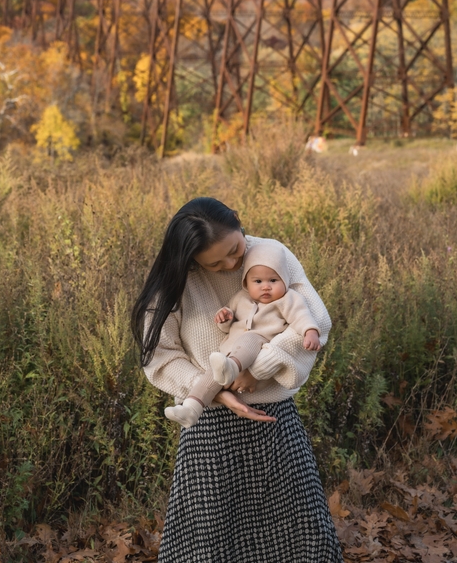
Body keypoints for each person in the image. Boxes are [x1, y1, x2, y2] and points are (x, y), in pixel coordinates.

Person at [131, 197, 343, 563]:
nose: (232, 264)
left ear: (238, 222)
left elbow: (314, 320)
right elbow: (160, 356)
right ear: (192, 259)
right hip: (209, 429)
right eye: (216, 263)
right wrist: (215, 393)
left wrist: (259, 367)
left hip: (274, 422)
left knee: (302, 535)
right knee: (208, 544)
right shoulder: (176, 280)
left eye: (234, 250)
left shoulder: (271, 254)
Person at [164, 241, 322, 428]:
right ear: (246, 283)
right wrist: (225, 318)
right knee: (208, 378)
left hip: (259, 351)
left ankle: (231, 367)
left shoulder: (288, 299)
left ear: (285, 280)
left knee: (250, 338)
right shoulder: (240, 298)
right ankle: (191, 409)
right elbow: (227, 325)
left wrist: (310, 332)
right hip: (228, 357)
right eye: (258, 281)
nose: (266, 287)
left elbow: (301, 316)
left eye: (273, 280)